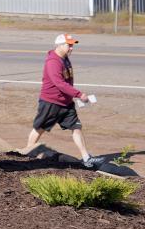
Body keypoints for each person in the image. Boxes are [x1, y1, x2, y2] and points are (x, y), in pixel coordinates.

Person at [21, 34, 97, 168]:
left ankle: (86, 157)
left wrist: (72, 96)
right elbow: (59, 83)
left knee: (76, 127)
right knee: (39, 128)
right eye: (69, 45)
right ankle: (27, 154)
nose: (72, 48)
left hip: (66, 103)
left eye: (72, 45)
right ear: (60, 45)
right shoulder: (53, 62)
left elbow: (67, 81)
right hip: (51, 102)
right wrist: (79, 94)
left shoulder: (65, 58)